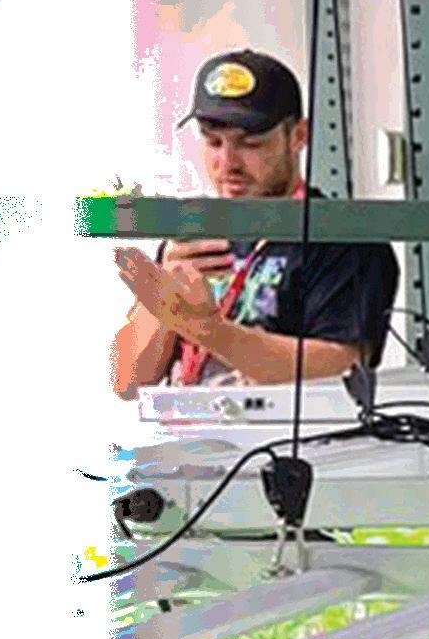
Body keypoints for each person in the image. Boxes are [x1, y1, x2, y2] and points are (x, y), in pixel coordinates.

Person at [108, 48, 399, 405]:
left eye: (250, 144)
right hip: (190, 431)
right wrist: (163, 301)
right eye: (213, 141)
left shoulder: (344, 237)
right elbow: (127, 381)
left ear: (299, 136)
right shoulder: (195, 237)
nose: (227, 163)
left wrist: (209, 331)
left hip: (290, 437)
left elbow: (338, 367)